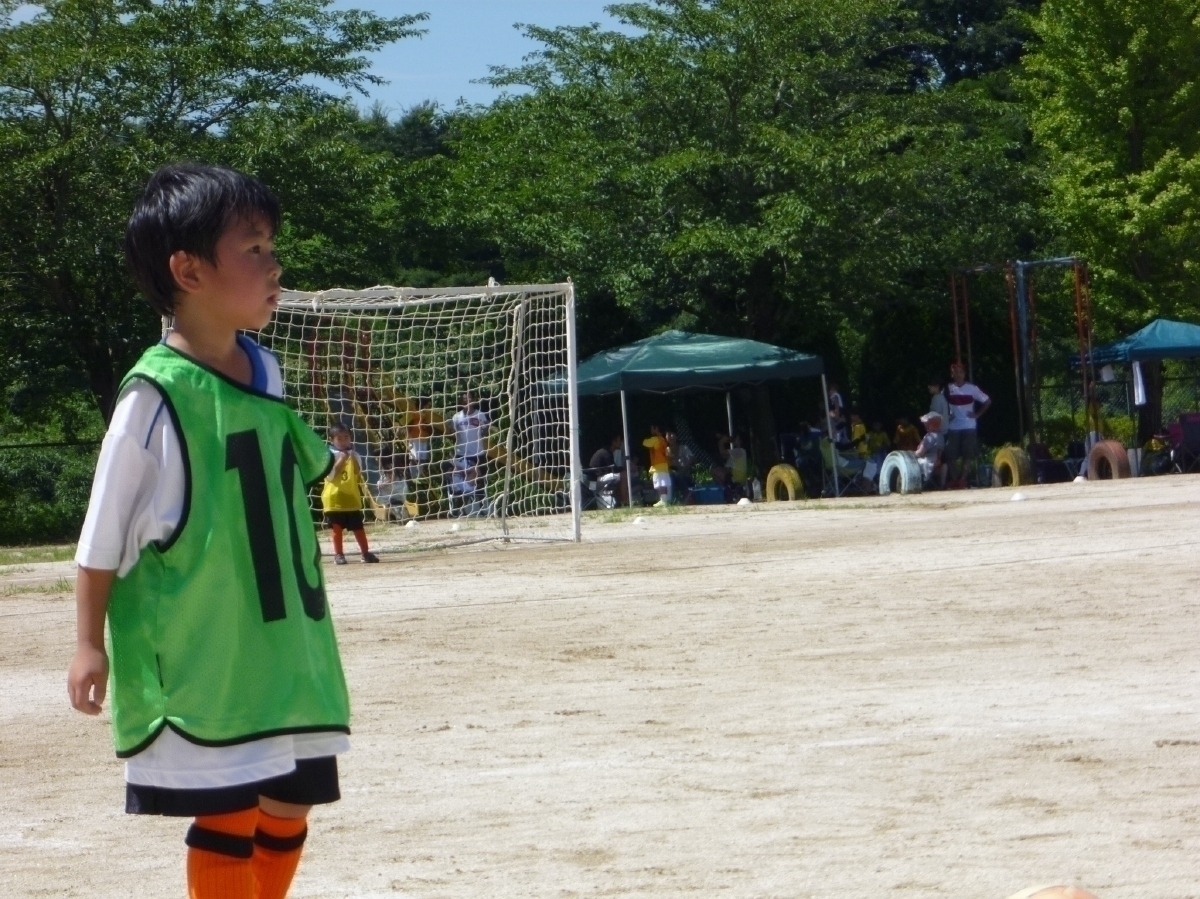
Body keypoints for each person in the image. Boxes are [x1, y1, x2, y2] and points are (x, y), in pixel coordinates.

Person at [67, 163, 351, 899]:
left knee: (292, 800)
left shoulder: (267, 372)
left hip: (284, 641)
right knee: (228, 806)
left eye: (271, 247)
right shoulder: (152, 396)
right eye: (253, 249)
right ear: (189, 271)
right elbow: (101, 537)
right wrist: (88, 643)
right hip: (207, 650)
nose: (274, 265)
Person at [322, 423, 382, 564]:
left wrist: (351, 457)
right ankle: (339, 554)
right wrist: (342, 459)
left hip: (351, 498)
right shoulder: (329, 456)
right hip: (334, 499)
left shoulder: (354, 455)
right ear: (332, 440)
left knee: (358, 528)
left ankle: (365, 553)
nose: (343, 441)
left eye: (346, 438)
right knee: (337, 529)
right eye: (339, 439)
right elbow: (330, 476)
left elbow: (357, 472)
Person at [945, 360, 991, 488]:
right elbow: (943, 404)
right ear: (952, 374)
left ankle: (963, 480)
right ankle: (955, 479)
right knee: (950, 454)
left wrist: (977, 414)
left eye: (960, 372)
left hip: (969, 426)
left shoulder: (972, 388)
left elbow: (987, 401)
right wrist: (947, 415)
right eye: (955, 372)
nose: (958, 375)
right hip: (953, 426)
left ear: (964, 374)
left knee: (968, 454)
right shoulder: (948, 389)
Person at [915, 411, 946, 487]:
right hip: (936, 461)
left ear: (930, 424)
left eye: (926, 424)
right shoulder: (941, 436)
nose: (925, 425)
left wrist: (910, 454)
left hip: (928, 462)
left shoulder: (929, 437)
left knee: (911, 462)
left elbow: (920, 453)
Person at [643, 424, 671, 506]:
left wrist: (644, 438)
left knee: (661, 483)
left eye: (652, 429)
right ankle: (664, 499)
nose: (651, 431)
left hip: (658, 466)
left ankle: (663, 500)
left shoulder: (655, 439)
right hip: (664, 465)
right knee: (663, 483)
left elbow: (645, 443)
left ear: (656, 429)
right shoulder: (662, 439)